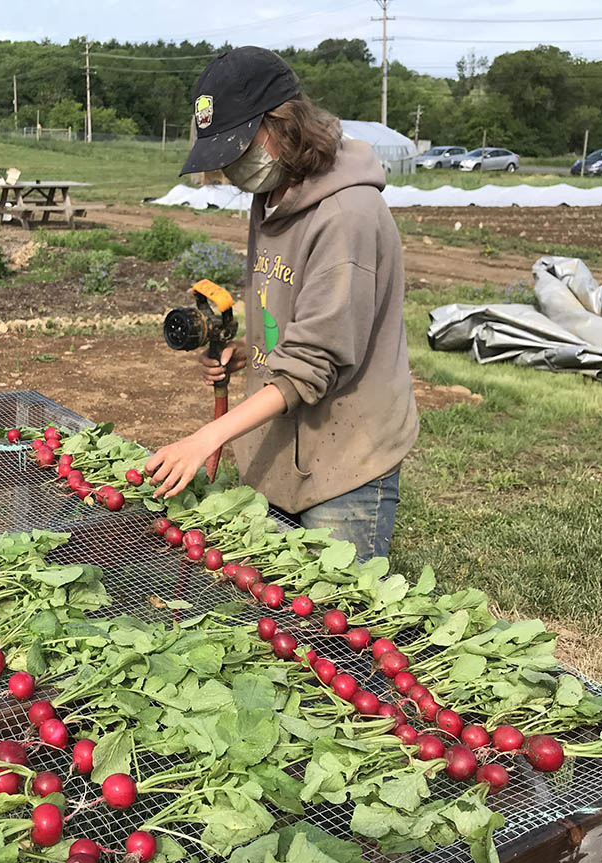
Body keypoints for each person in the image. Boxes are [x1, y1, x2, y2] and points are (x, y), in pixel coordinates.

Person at [143, 47, 418, 562]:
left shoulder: (345, 214)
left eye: (237, 149)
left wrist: (207, 437)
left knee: (339, 623)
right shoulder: (273, 194)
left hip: (345, 456)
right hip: (282, 447)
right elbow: (297, 311)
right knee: (280, 611)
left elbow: (317, 358)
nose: (229, 169)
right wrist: (257, 348)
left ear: (283, 125)